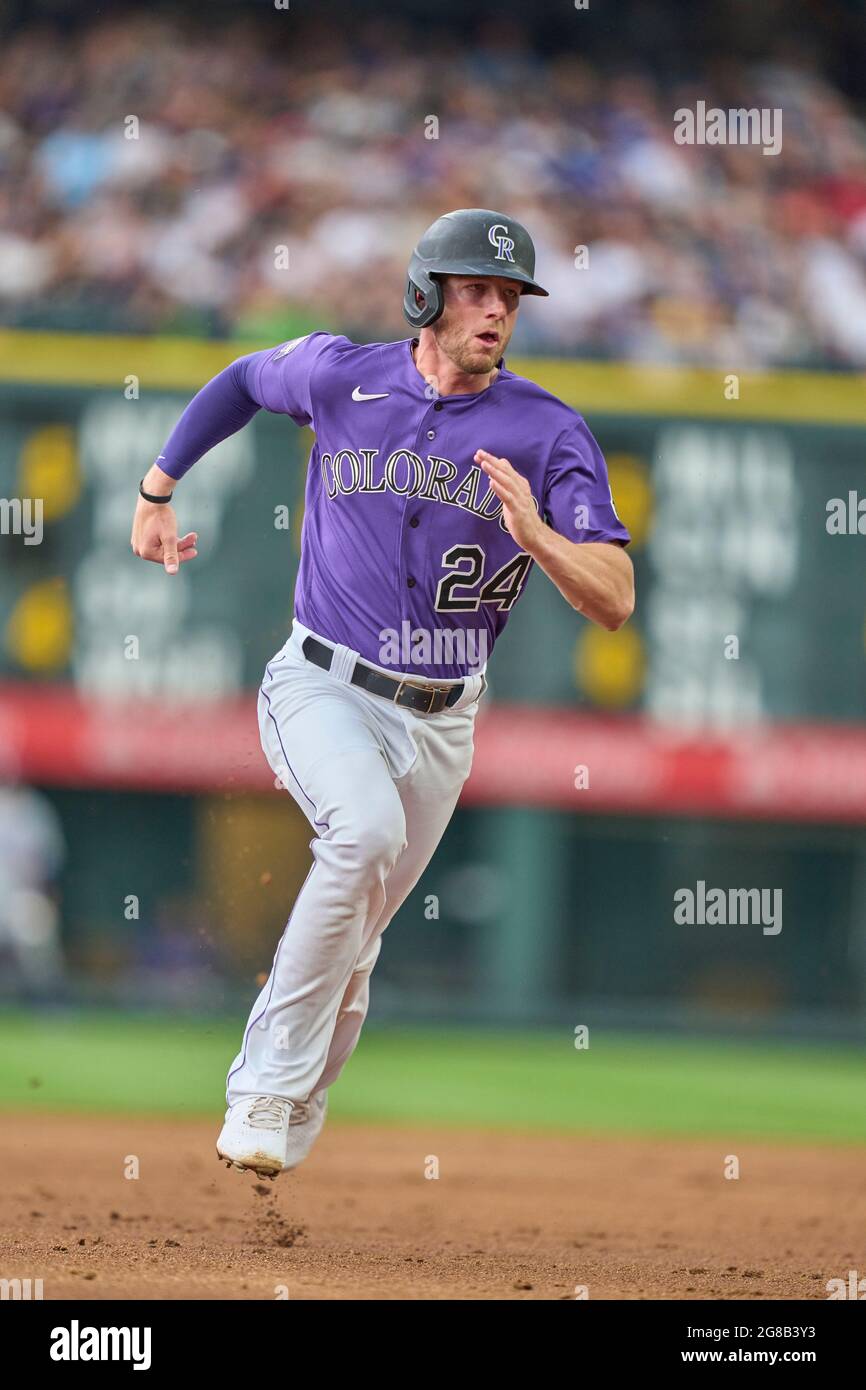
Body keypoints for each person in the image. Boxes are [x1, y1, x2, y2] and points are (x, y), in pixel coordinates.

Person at [130, 208, 634, 1177]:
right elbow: (240, 379)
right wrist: (157, 490)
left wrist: (539, 537)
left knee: (357, 934)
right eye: (475, 289)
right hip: (323, 681)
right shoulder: (338, 374)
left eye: (509, 296)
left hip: (442, 719)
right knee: (360, 836)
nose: (495, 310)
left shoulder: (544, 430)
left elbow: (611, 598)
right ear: (424, 293)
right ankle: (263, 1085)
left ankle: (301, 1096)